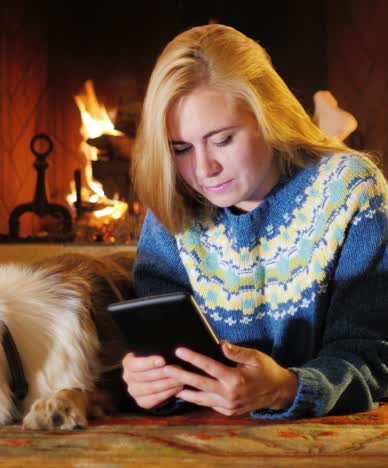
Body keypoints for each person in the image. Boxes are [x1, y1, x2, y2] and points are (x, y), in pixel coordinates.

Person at [122, 23, 388, 420]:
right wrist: (151, 384)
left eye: (223, 139)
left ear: (269, 116)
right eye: (181, 149)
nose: (203, 169)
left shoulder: (350, 189)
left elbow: (373, 357)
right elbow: (169, 358)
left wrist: (287, 388)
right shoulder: (174, 200)